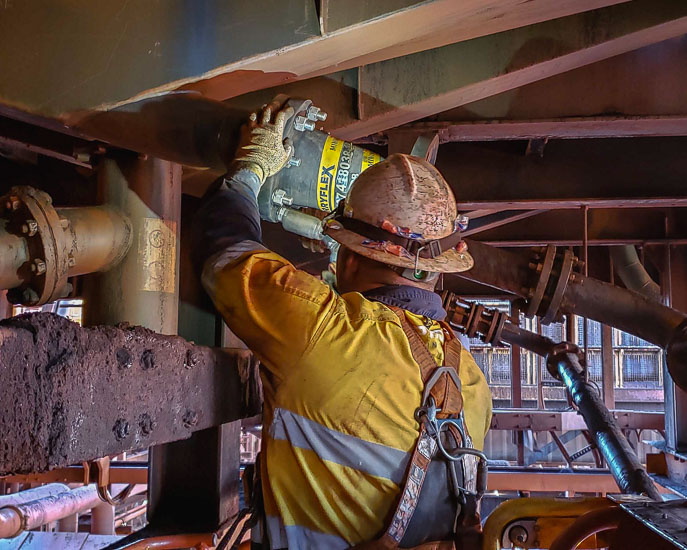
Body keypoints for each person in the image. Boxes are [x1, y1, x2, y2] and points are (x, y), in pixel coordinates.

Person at [193, 98, 492, 550]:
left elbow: (224, 251)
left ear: (348, 256)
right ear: (438, 269)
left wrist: (251, 168)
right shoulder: (473, 384)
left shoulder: (327, 332)